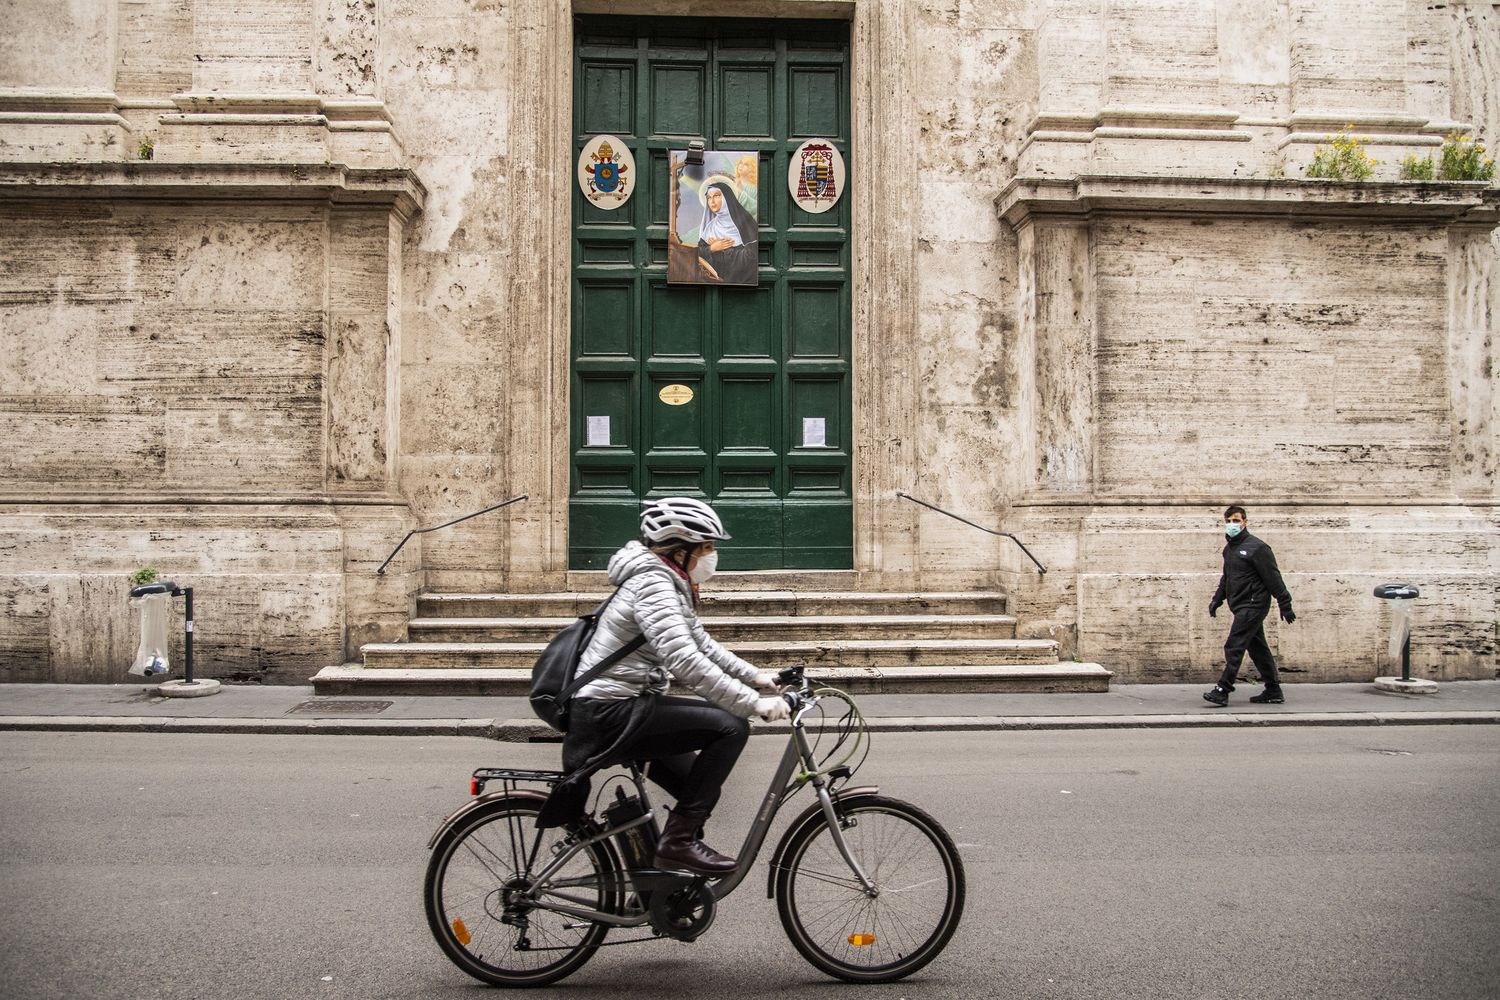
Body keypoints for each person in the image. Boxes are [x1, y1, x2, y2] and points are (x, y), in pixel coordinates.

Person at [541, 496, 790, 876]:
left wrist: (756, 676)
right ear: (680, 550)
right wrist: (751, 703)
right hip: (609, 711)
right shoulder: (653, 584)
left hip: (619, 706)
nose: (710, 556)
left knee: (697, 786)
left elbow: (699, 643)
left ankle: (655, 883)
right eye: (706, 547)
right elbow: (684, 660)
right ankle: (677, 845)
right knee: (730, 727)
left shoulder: (665, 580)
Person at [1203, 505, 1295, 707]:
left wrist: (1284, 603)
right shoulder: (1229, 550)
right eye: (1228, 521)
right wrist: (1217, 599)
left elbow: (1273, 578)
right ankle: (1273, 690)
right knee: (1258, 649)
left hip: (1254, 605)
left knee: (1234, 646)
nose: (1232, 524)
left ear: (1245, 522)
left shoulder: (1258, 548)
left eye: (1236, 521)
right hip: (1240, 604)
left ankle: (1223, 689)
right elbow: (1226, 578)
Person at [694, 182, 758, 285]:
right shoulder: (710, 227)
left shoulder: (746, 222)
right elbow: (697, 255)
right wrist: (711, 248)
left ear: (727, 198)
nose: (712, 201)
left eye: (716, 196)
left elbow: (752, 257)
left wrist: (723, 250)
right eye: (709, 198)